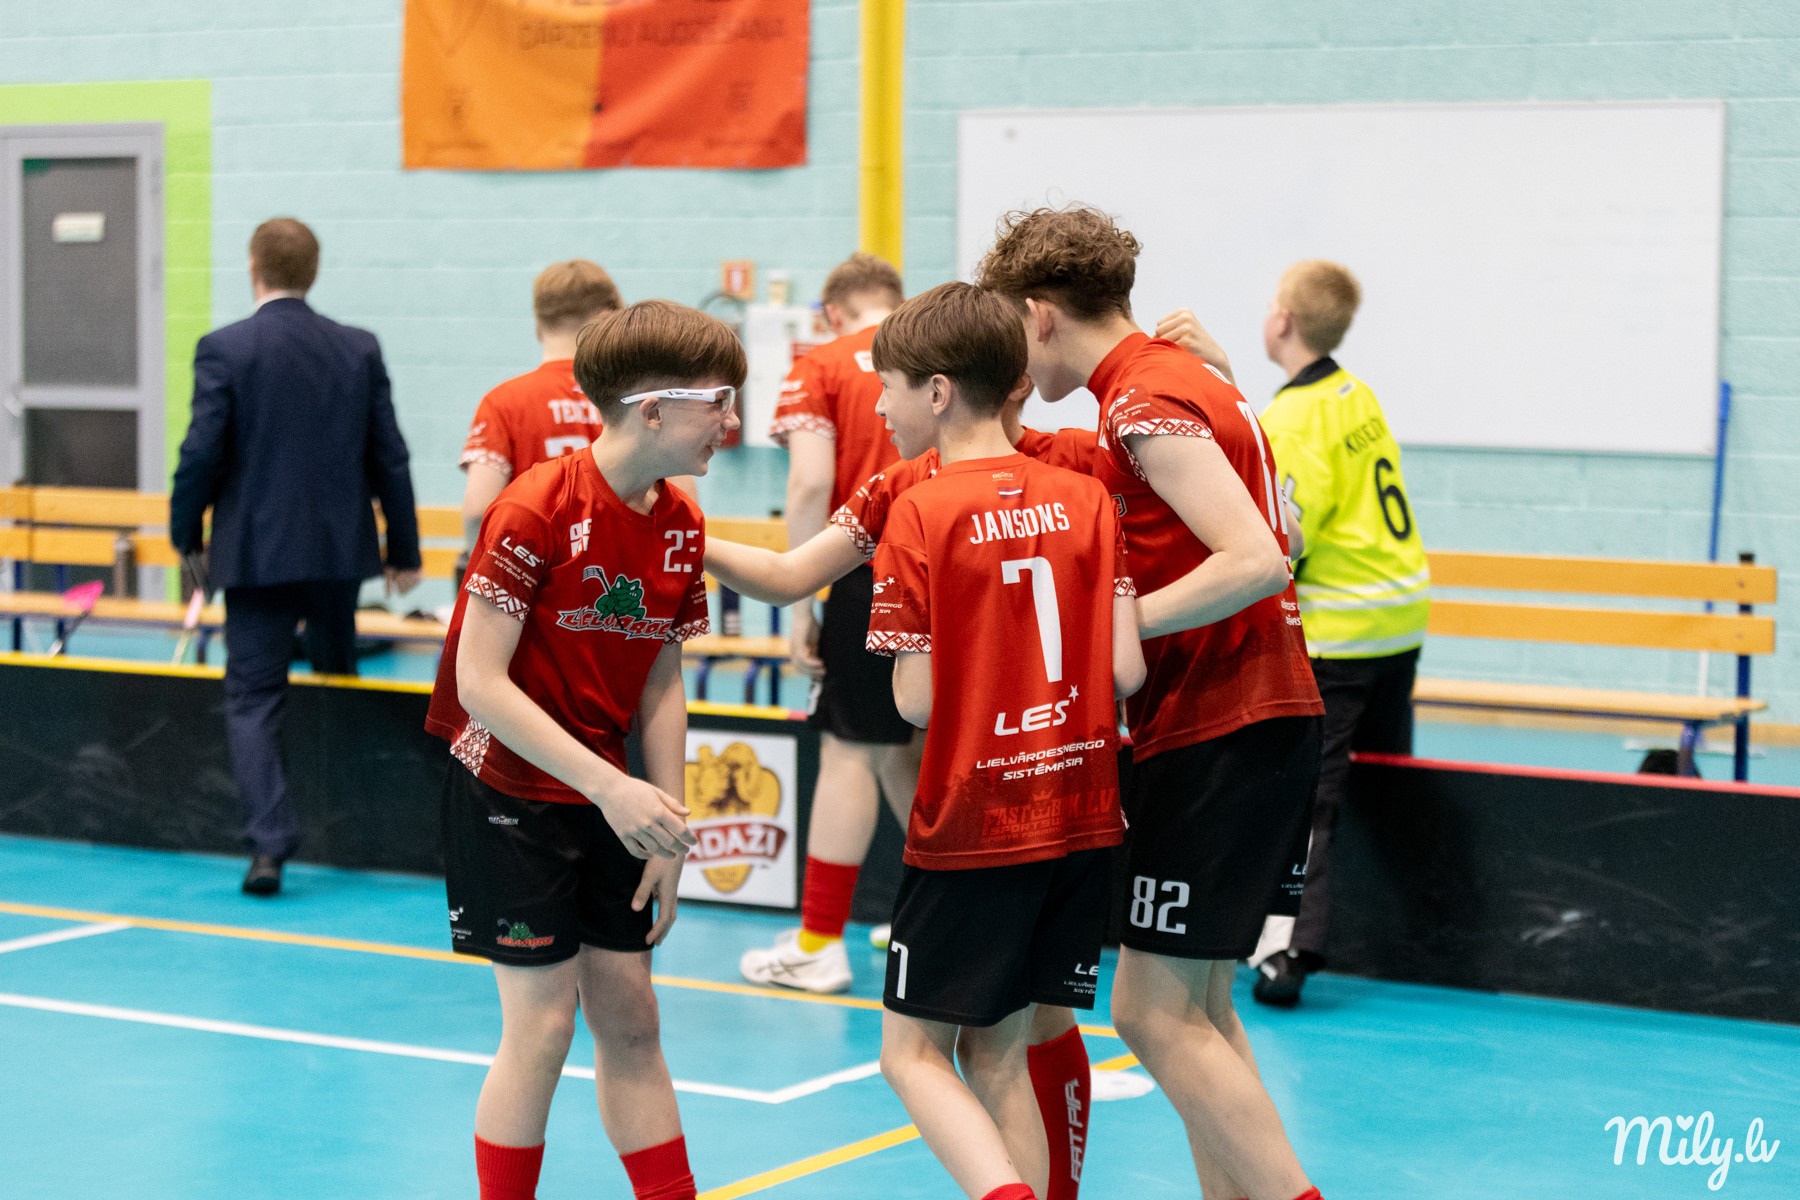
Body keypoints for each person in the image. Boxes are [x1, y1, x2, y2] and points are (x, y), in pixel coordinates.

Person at [977, 205, 1328, 1200]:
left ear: (1040, 315)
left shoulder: (1144, 397)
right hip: (1257, 716)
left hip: (1223, 723)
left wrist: (1110, 639)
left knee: (1149, 1013)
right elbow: (1287, 529)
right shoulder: (1187, 382)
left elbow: (1258, 558)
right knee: (1201, 1013)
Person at [424, 299, 741, 1200]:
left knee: (633, 1020)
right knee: (543, 1027)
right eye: (718, 402)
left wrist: (667, 826)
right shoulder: (533, 508)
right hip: (511, 791)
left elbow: (661, 680)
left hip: (611, 795)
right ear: (655, 410)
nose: (731, 422)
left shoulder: (680, 521)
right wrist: (613, 789)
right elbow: (481, 683)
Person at [862, 281, 1144, 1200]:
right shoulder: (1088, 497)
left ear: (939, 392)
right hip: (1080, 812)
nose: (880, 406)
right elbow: (1126, 670)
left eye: (889, 387)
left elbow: (916, 701)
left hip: (974, 822)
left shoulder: (920, 510)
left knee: (909, 1054)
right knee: (1001, 1050)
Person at [169, 217, 421, 898]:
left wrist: (185, 536)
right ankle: (356, 826)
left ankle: (268, 849)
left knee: (254, 698)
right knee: (338, 675)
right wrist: (402, 548)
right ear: (313, 271)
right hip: (339, 552)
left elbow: (200, 454)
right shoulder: (357, 347)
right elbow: (390, 454)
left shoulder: (225, 348)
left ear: (253, 268)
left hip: (255, 555)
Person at [1249, 261, 1429, 1008]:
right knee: (1386, 780)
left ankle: (1286, 951)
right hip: (1400, 620)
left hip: (1340, 635)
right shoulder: (1357, 393)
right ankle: (1416, 937)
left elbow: (1288, 539)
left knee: (1308, 795)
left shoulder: (1291, 421)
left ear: (1284, 321)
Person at [743, 251, 921, 993]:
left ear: (829, 311)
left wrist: (800, 603)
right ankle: (940, 914)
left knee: (849, 750)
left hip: (867, 571)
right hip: (956, 564)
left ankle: (818, 941)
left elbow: (810, 482)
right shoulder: (936, 355)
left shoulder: (819, 363)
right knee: (909, 752)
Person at [458, 259, 623, 550]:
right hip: (620, 567)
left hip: (538, 566)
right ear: (609, 319)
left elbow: (477, 511)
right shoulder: (637, 398)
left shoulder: (504, 402)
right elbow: (680, 499)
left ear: (538, 326)